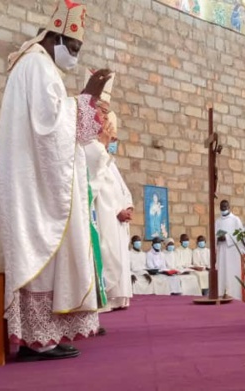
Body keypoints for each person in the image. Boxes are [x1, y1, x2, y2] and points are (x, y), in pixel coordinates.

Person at [0, 0, 111, 361]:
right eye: (72, 48)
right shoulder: (38, 68)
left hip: (33, 179)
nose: (72, 56)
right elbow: (50, 126)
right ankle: (35, 339)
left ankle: (44, 336)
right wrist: (86, 98)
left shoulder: (35, 66)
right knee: (42, 247)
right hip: (35, 186)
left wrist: (83, 101)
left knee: (46, 250)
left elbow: (53, 122)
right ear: (57, 36)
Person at [87, 78, 134, 311]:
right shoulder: (87, 142)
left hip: (109, 214)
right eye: (102, 113)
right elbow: (92, 179)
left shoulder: (104, 151)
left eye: (107, 114)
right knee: (103, 253)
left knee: (111, 255)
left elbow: (119, 188)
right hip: (99, 214)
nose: (105, 119)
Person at [216, 200, 245, 299]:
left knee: (232, 274)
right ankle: (221, 294)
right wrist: (217, 238)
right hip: (221, 251)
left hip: (232, 252)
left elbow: (240, 235)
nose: (223, 208)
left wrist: (227, 238)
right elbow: (215, 234)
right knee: (222, 273)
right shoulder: (218, 221)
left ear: (229, 207)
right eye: (222, 207)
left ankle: (234, 296)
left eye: (225, 206)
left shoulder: (235, 220)